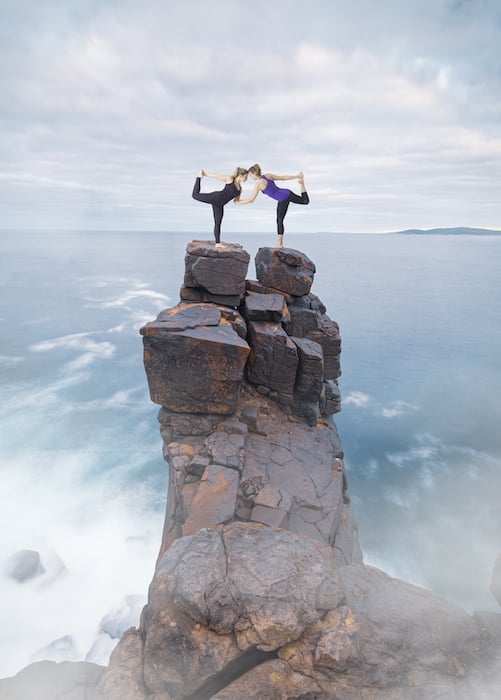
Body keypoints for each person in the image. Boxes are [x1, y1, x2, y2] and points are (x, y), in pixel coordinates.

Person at [235, 164, 309, 247]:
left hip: (282, 199)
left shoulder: (258, 184)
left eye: (250, 175)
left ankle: (279, 244)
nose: (250, 177)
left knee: (279, 221)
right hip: (287, 192)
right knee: (305, 201)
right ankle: (301, 184)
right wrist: (297, 176)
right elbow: (283, 178)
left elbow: (251, 200)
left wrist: (238, 202)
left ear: (254, 173)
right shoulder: (268, 176)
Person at [192, 167, 248, 245]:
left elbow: (236, 201)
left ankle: (217, 243)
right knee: (195, 196)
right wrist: (205, 174)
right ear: (241, 175)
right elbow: (217, 176)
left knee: (218, 223)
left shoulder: (240, 189)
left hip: (220, 205)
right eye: (246, 177)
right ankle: (198, 177)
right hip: (215, 197)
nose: (246, 179)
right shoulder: (230, 179)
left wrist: (248, 201)